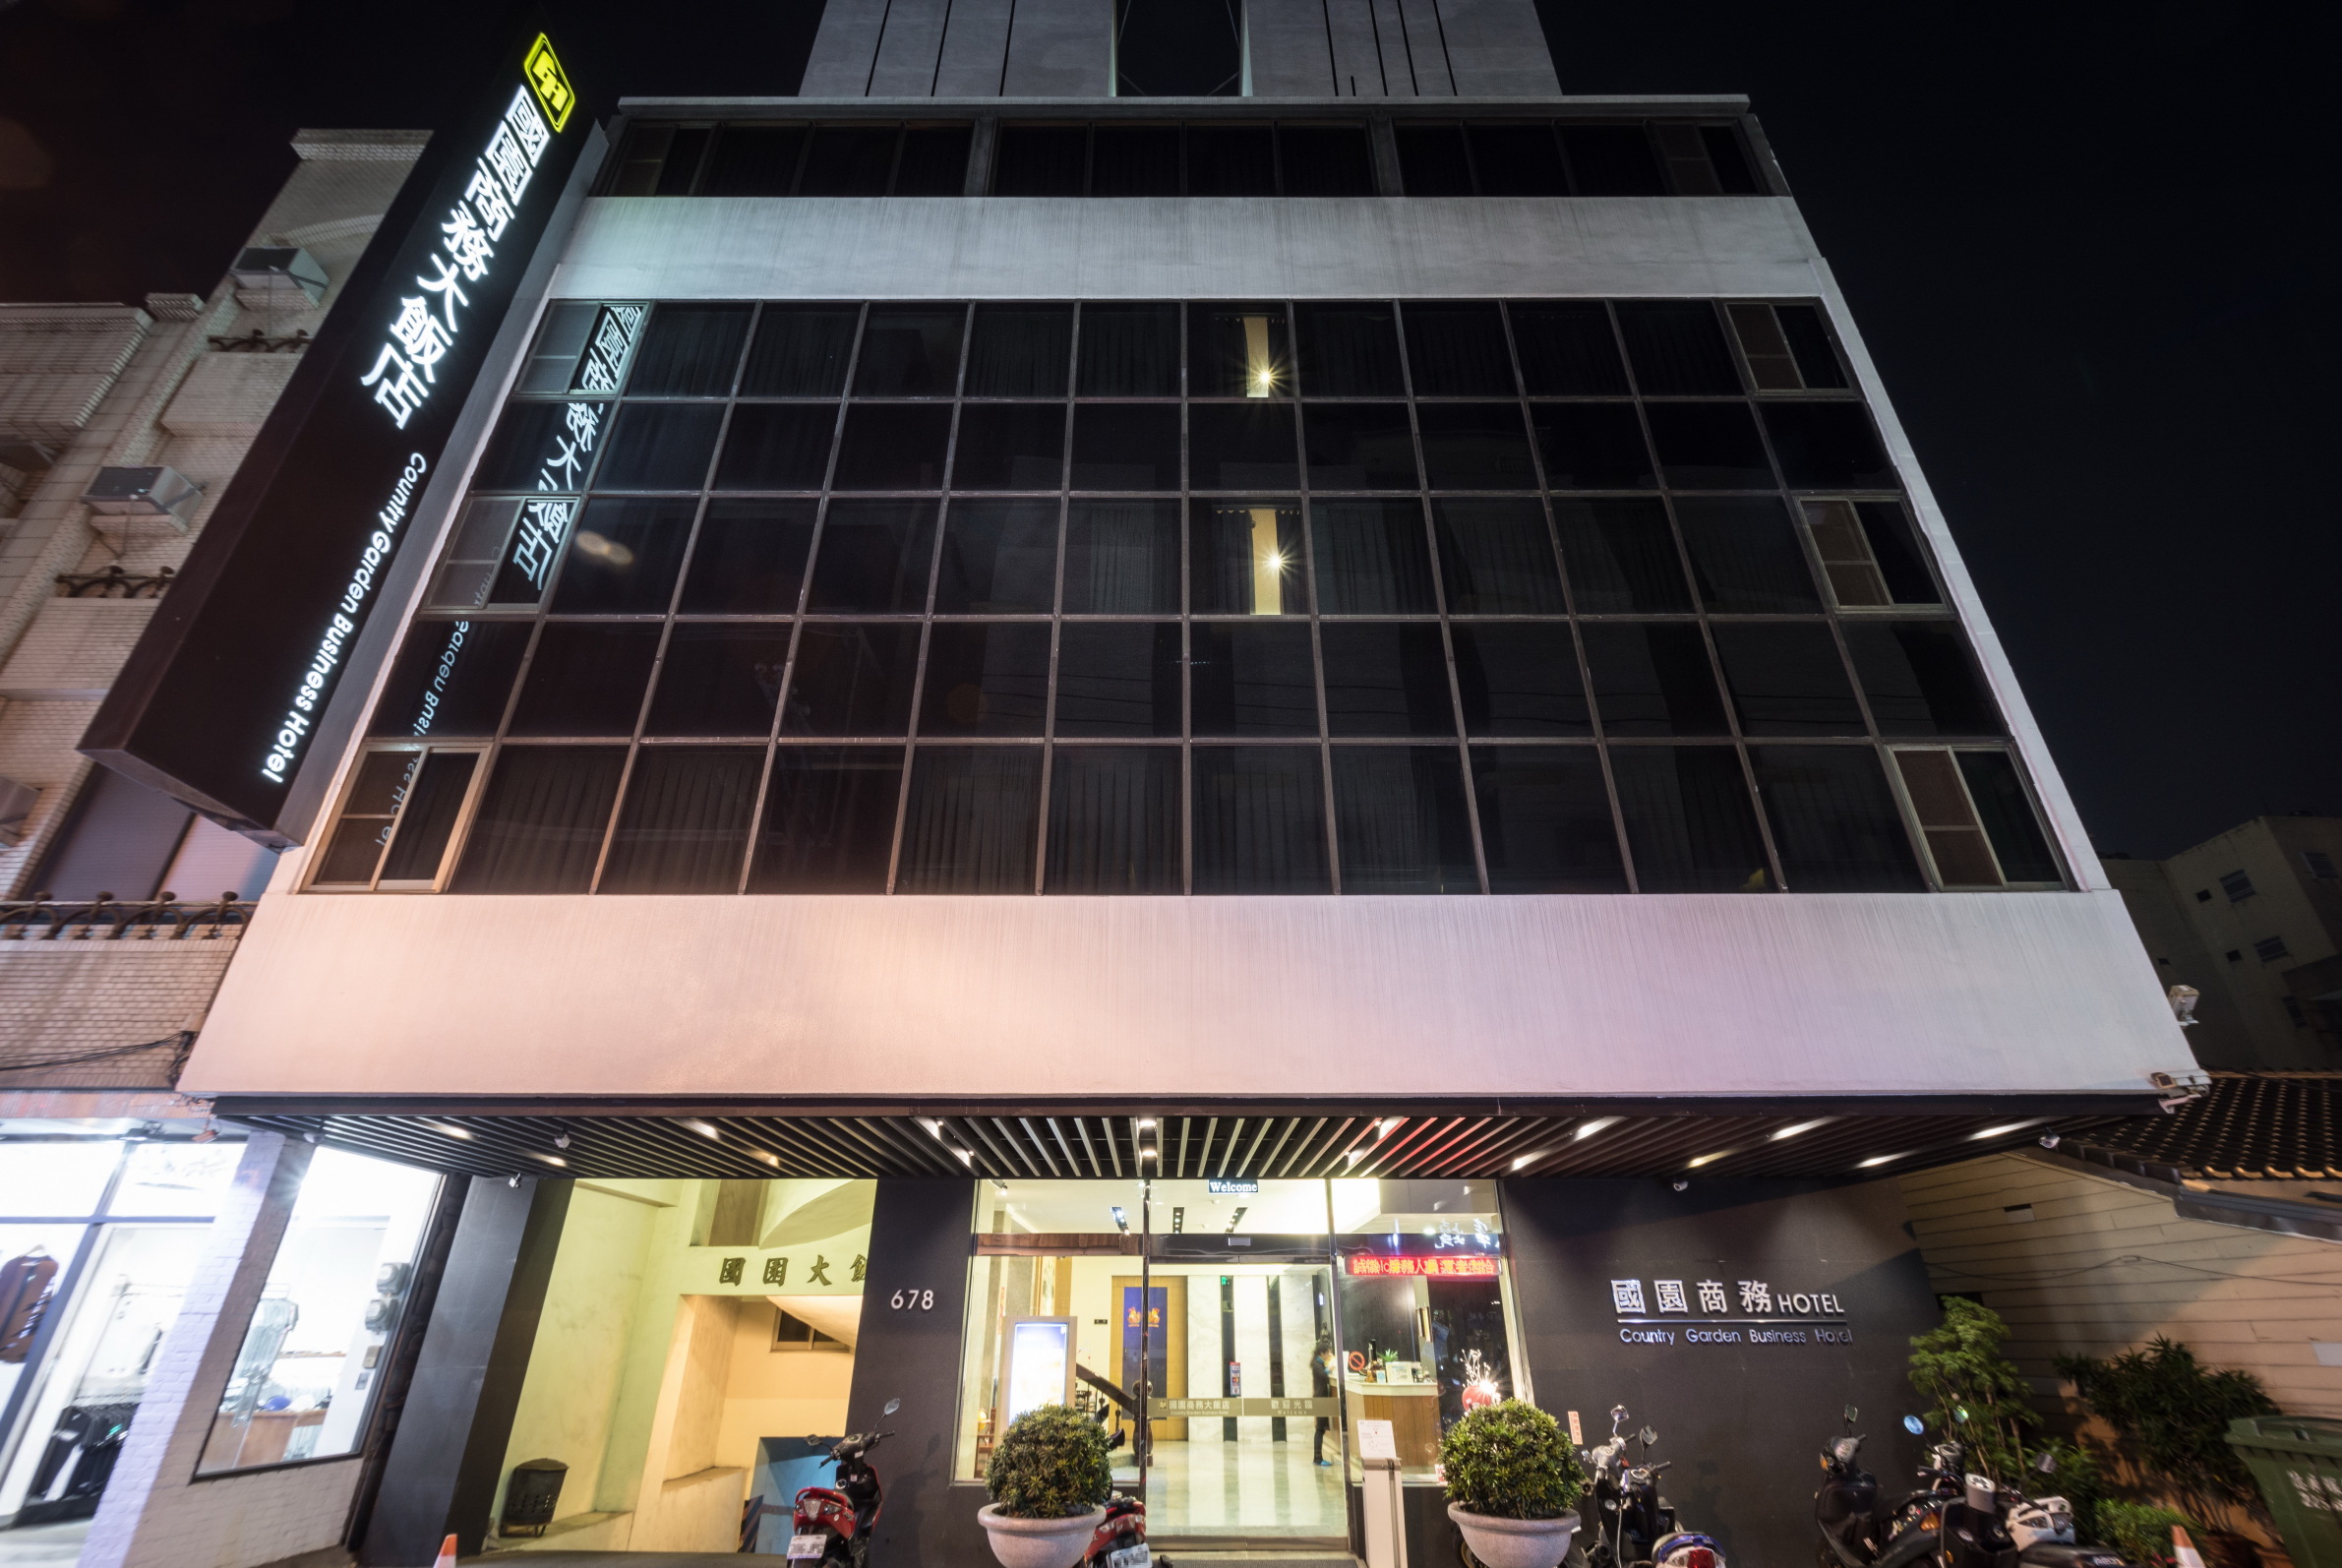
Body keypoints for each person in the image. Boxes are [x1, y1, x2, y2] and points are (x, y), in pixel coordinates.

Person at [1310, 1335, 1338, 1466]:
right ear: (1322, 1353)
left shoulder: (1318, 1363)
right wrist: (1330, 1369)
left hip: (1320, 1399)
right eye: (1328, 1353)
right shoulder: (1317, 1364)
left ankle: (1318, 1458)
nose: (1329, 1355)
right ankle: (1317, 1459)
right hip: (1320, 1400)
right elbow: (1322, 1375)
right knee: (1320, 1429)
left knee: (1320, 1429)